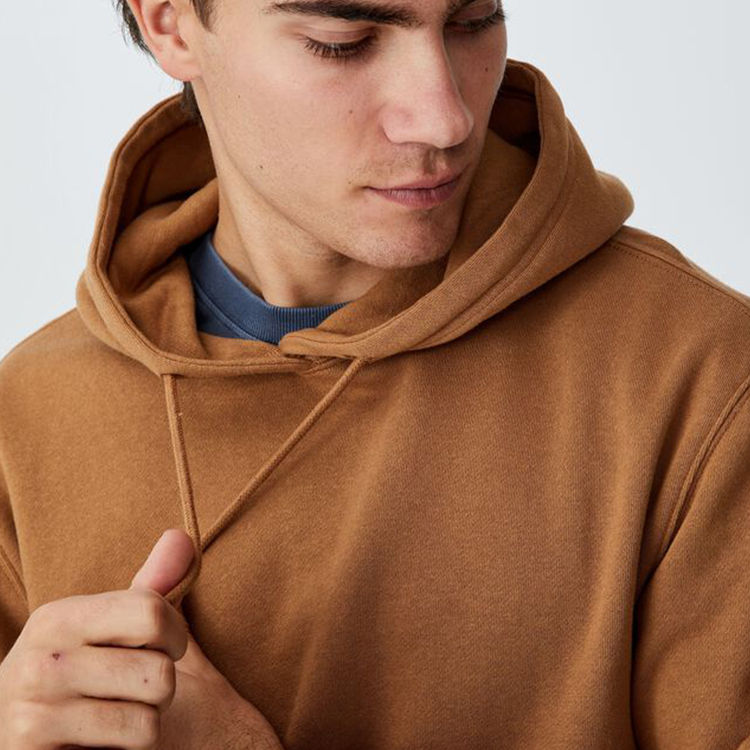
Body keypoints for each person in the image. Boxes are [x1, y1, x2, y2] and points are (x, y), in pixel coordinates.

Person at [0, 0, 749, 747]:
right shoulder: (26, 416)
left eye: (474, 21)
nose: (446, 120)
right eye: (345, 41)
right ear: (170, 23)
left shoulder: (701, 380)